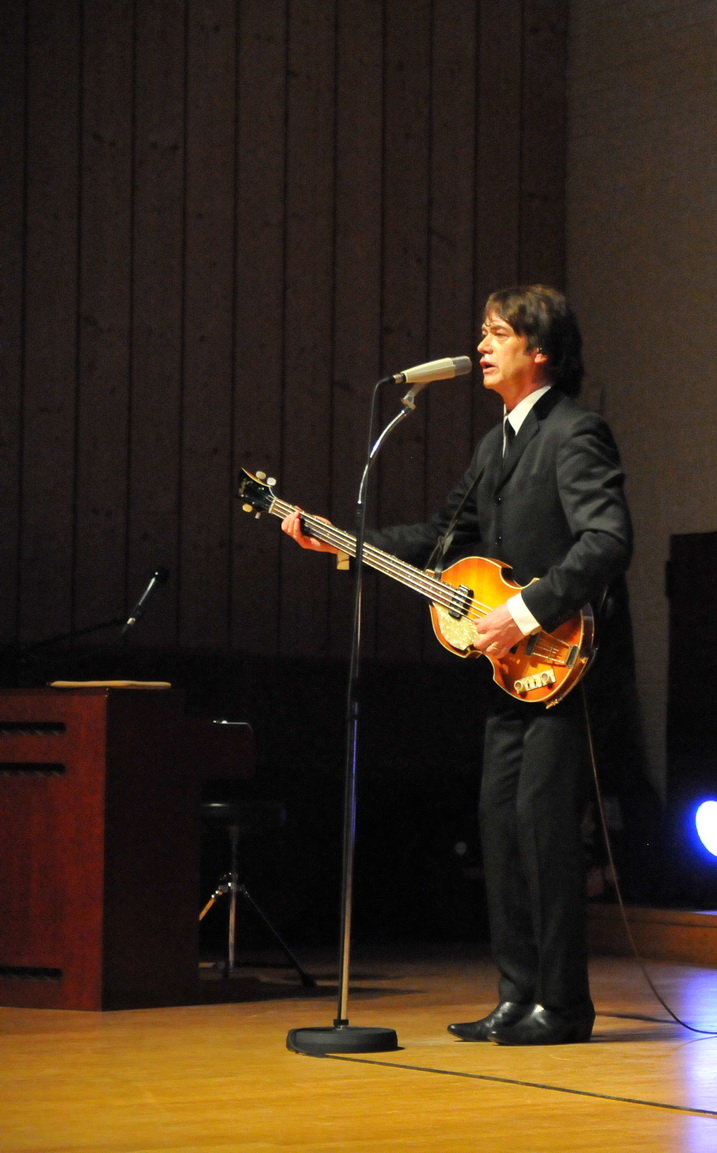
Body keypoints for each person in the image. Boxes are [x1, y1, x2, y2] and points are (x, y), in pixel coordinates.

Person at [284, 284, 632, 1046]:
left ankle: (564, 1005)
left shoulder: (576, 432)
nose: (480, 345)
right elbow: (444, 537)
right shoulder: (495, 443)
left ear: (539, 350)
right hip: (510, 670)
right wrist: (346, 539)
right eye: (483, 332)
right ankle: (516, 993)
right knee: (498, 824)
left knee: (543, 827)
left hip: (564, 662)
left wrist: (527, 610)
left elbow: (606, 539)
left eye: (496, 332)